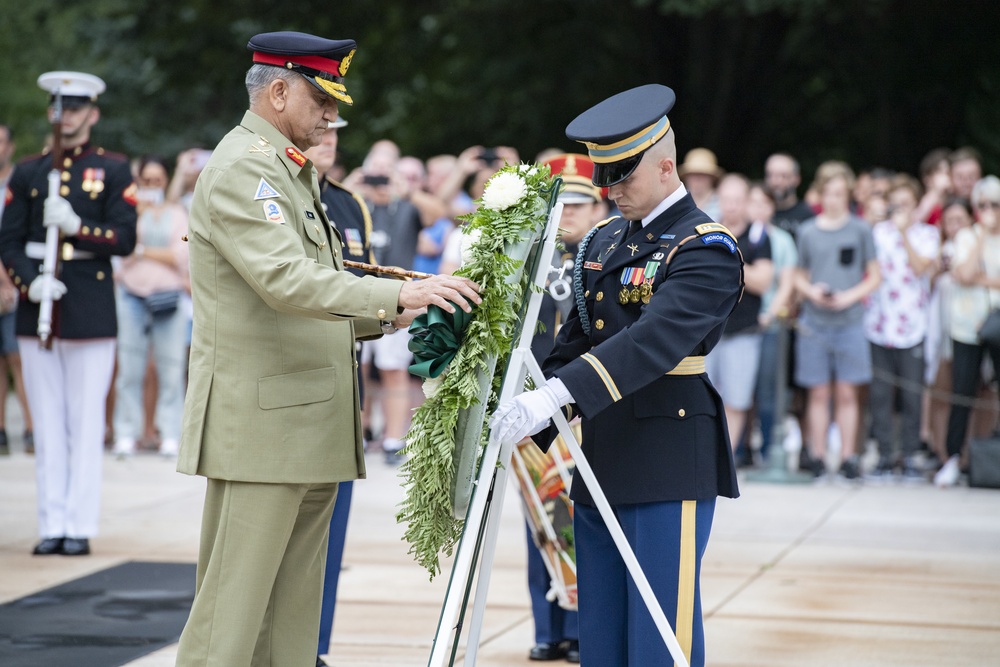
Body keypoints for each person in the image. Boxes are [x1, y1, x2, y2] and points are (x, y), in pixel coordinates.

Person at [172, 31, 480, 667]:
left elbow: (322, 292)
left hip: (301, 423)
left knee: (289, 625)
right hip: (263, 429)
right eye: (321, 98)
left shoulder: (284, 167)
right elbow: (287, 280)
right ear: (278, 91)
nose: (332, 115)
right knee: (227, 626)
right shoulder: (244, 170)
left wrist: (399, 309)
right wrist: (399, 300)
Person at [491, 84, 743, 667]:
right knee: (601, 635)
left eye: (623, 175)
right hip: (601, 454)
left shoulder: (705, 248)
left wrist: (556, 395)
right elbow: (574, 339)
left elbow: (651, 342)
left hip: (668, 456)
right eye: (606, 176)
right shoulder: (604, 240)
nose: (610, 190)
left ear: (664, 165)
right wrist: (527, 406)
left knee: (658, 635)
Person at [0, 71, 138, 556]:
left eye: (78, 107)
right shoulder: (29, 171)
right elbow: (9, 240)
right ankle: (51, 521)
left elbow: (124, 239)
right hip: (39, 303)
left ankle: (78, 524)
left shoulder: (114, 169)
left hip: (89, 303)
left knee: (82, 421)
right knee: (47, 422)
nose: (69, 115)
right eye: (62, 107)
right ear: (51, 112)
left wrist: (78, 227)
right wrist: (29, 282)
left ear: (93, 113)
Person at [518, 151, 609, 664]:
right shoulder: (530, 257)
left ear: (596, 205)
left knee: (580, 517)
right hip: (534, 408)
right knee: (541, 516)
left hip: (584, 406)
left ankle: (580, 628)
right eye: (561, 203)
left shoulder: (607, 256)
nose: (568, 213)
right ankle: (548, 627)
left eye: (577, 203)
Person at [302, 113, 371, 667]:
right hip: (298, 368)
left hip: (342, 368)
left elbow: (368, 287)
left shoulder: (350, 205)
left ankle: (316, 647)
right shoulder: (273, 191)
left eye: (334, 132)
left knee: (332, 530)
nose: (327, 139)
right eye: (319, 127)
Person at [793, 164, 881, 480]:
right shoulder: (808, 231)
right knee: (818, 393)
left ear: (848, 196)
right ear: (820, 194)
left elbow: (874, 275)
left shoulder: (860, 230)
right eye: (829, 193)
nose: (834, 200)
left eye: (840, 194)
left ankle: (848, 456)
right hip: (814, 321)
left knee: (847, 392)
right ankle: (817, 455)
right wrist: (812, 292)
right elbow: (798, 276)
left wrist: (850, 296)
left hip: (850, 320)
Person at [111, 155, 189, 459]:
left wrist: (142, 249)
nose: (153, 185)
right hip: (132, 294)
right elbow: (122, 251)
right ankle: (126, 432)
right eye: (147, 180)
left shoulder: (179, 213)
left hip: (168, 297)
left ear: (165, 181)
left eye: (158, 180)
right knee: (130, 367)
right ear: (139, 182)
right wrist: (138, 218)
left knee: (171, 367)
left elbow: (181, 254)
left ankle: (169, 431)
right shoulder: (128, 212)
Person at [863, 174, 940, 480]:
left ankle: (909, 455)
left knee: (911, 395)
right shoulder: (875, 233)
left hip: (913, 326)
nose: (901, 210)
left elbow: (922, 267)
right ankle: (883, 454)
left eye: (907, 204)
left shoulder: (927, 234)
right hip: (878, 324)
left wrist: (905, 233)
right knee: (880, 395)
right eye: (897, 204)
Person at [935, 176, 1000, 487]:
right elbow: (963, 273)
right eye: (982, 205)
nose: (989, 211)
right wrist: (983, 236)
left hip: (997, 327)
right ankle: (952, 457)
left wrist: (981, 279)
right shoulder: (966, 237)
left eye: (995, 205)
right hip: (967, 326)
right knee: (962, 391)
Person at [704, 173, 772, 463]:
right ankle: (703, 459)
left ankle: (725, 461)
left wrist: (728, 262)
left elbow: (763, 281)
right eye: (726, 200)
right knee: (703, 399)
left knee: (736, 399)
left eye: (737, 200)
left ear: (747, 202)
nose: (731, 206)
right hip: (707, 332)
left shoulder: (758, 238)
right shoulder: (705, 231)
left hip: (743, 331)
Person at [748, 182, 798, 463]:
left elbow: (787, 284)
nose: (758, 209)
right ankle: (740, 450)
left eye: (764, 204)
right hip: (740, 323)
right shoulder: (737, 234)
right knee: (739, 390)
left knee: (768, 390)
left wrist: (770, 313)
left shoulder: (781, 240)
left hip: (769, 322)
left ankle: (768, 449)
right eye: (753, 202)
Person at [0, 123, 34, 457]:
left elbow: (15, 237)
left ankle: (30, 428)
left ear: (10, 147)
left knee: (17, 358)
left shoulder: (22, 181)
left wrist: (9, 279)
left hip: (15, 283)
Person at [765, 152, 815, 238]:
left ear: (797, 179)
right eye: (771, 175)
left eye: (783, 176)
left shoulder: (808, 215)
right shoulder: (756, 214)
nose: (776, 182)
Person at [677, 147, 722, 221]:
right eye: (693, 175)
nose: (697, 179)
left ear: (712, 178)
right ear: (686, 177)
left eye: (702, 175)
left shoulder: (723, 203)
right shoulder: (677, 202)